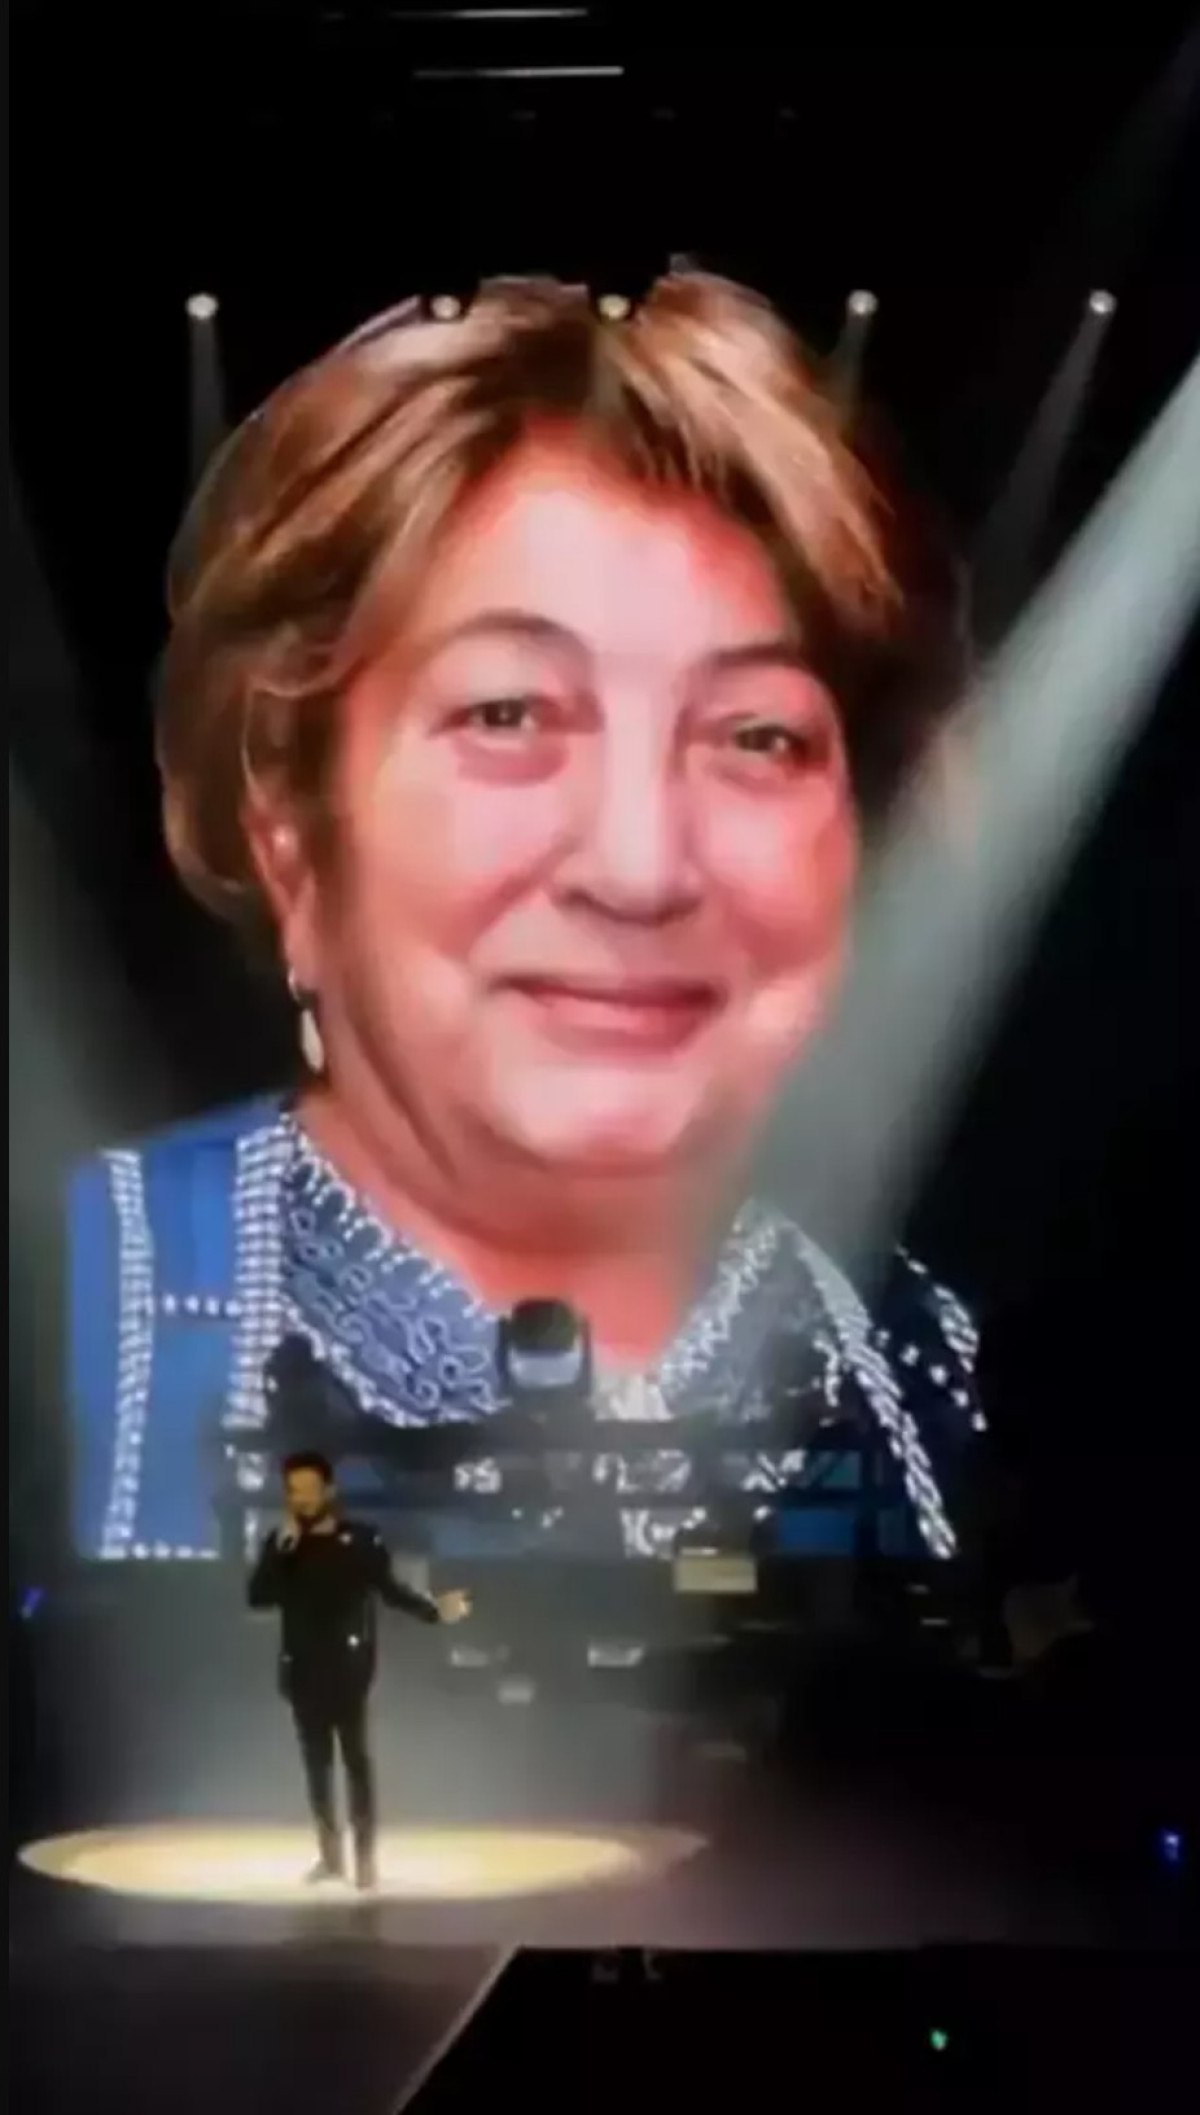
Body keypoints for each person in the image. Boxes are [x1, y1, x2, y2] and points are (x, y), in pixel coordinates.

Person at [68, 269, 983, 1567]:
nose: (640, 865)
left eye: (756, 735)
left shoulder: (933, 1362)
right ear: (289, 827)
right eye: (508, 715)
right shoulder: (63, 1322)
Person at [248, 1449, 471, 1888]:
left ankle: (365, 1858)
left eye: (310, 1490)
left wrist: (434, 1611)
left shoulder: (361, 1541)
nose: (302, 1499)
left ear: (329, 1491)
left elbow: (391, 1591)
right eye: (294, 1491)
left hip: (348, 1670)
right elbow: (257, 1597)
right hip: (301, 1670)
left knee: (355, 1761)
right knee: (316, 1765)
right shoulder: (281, 1544)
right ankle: (330, 1856)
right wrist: (281, 1553)